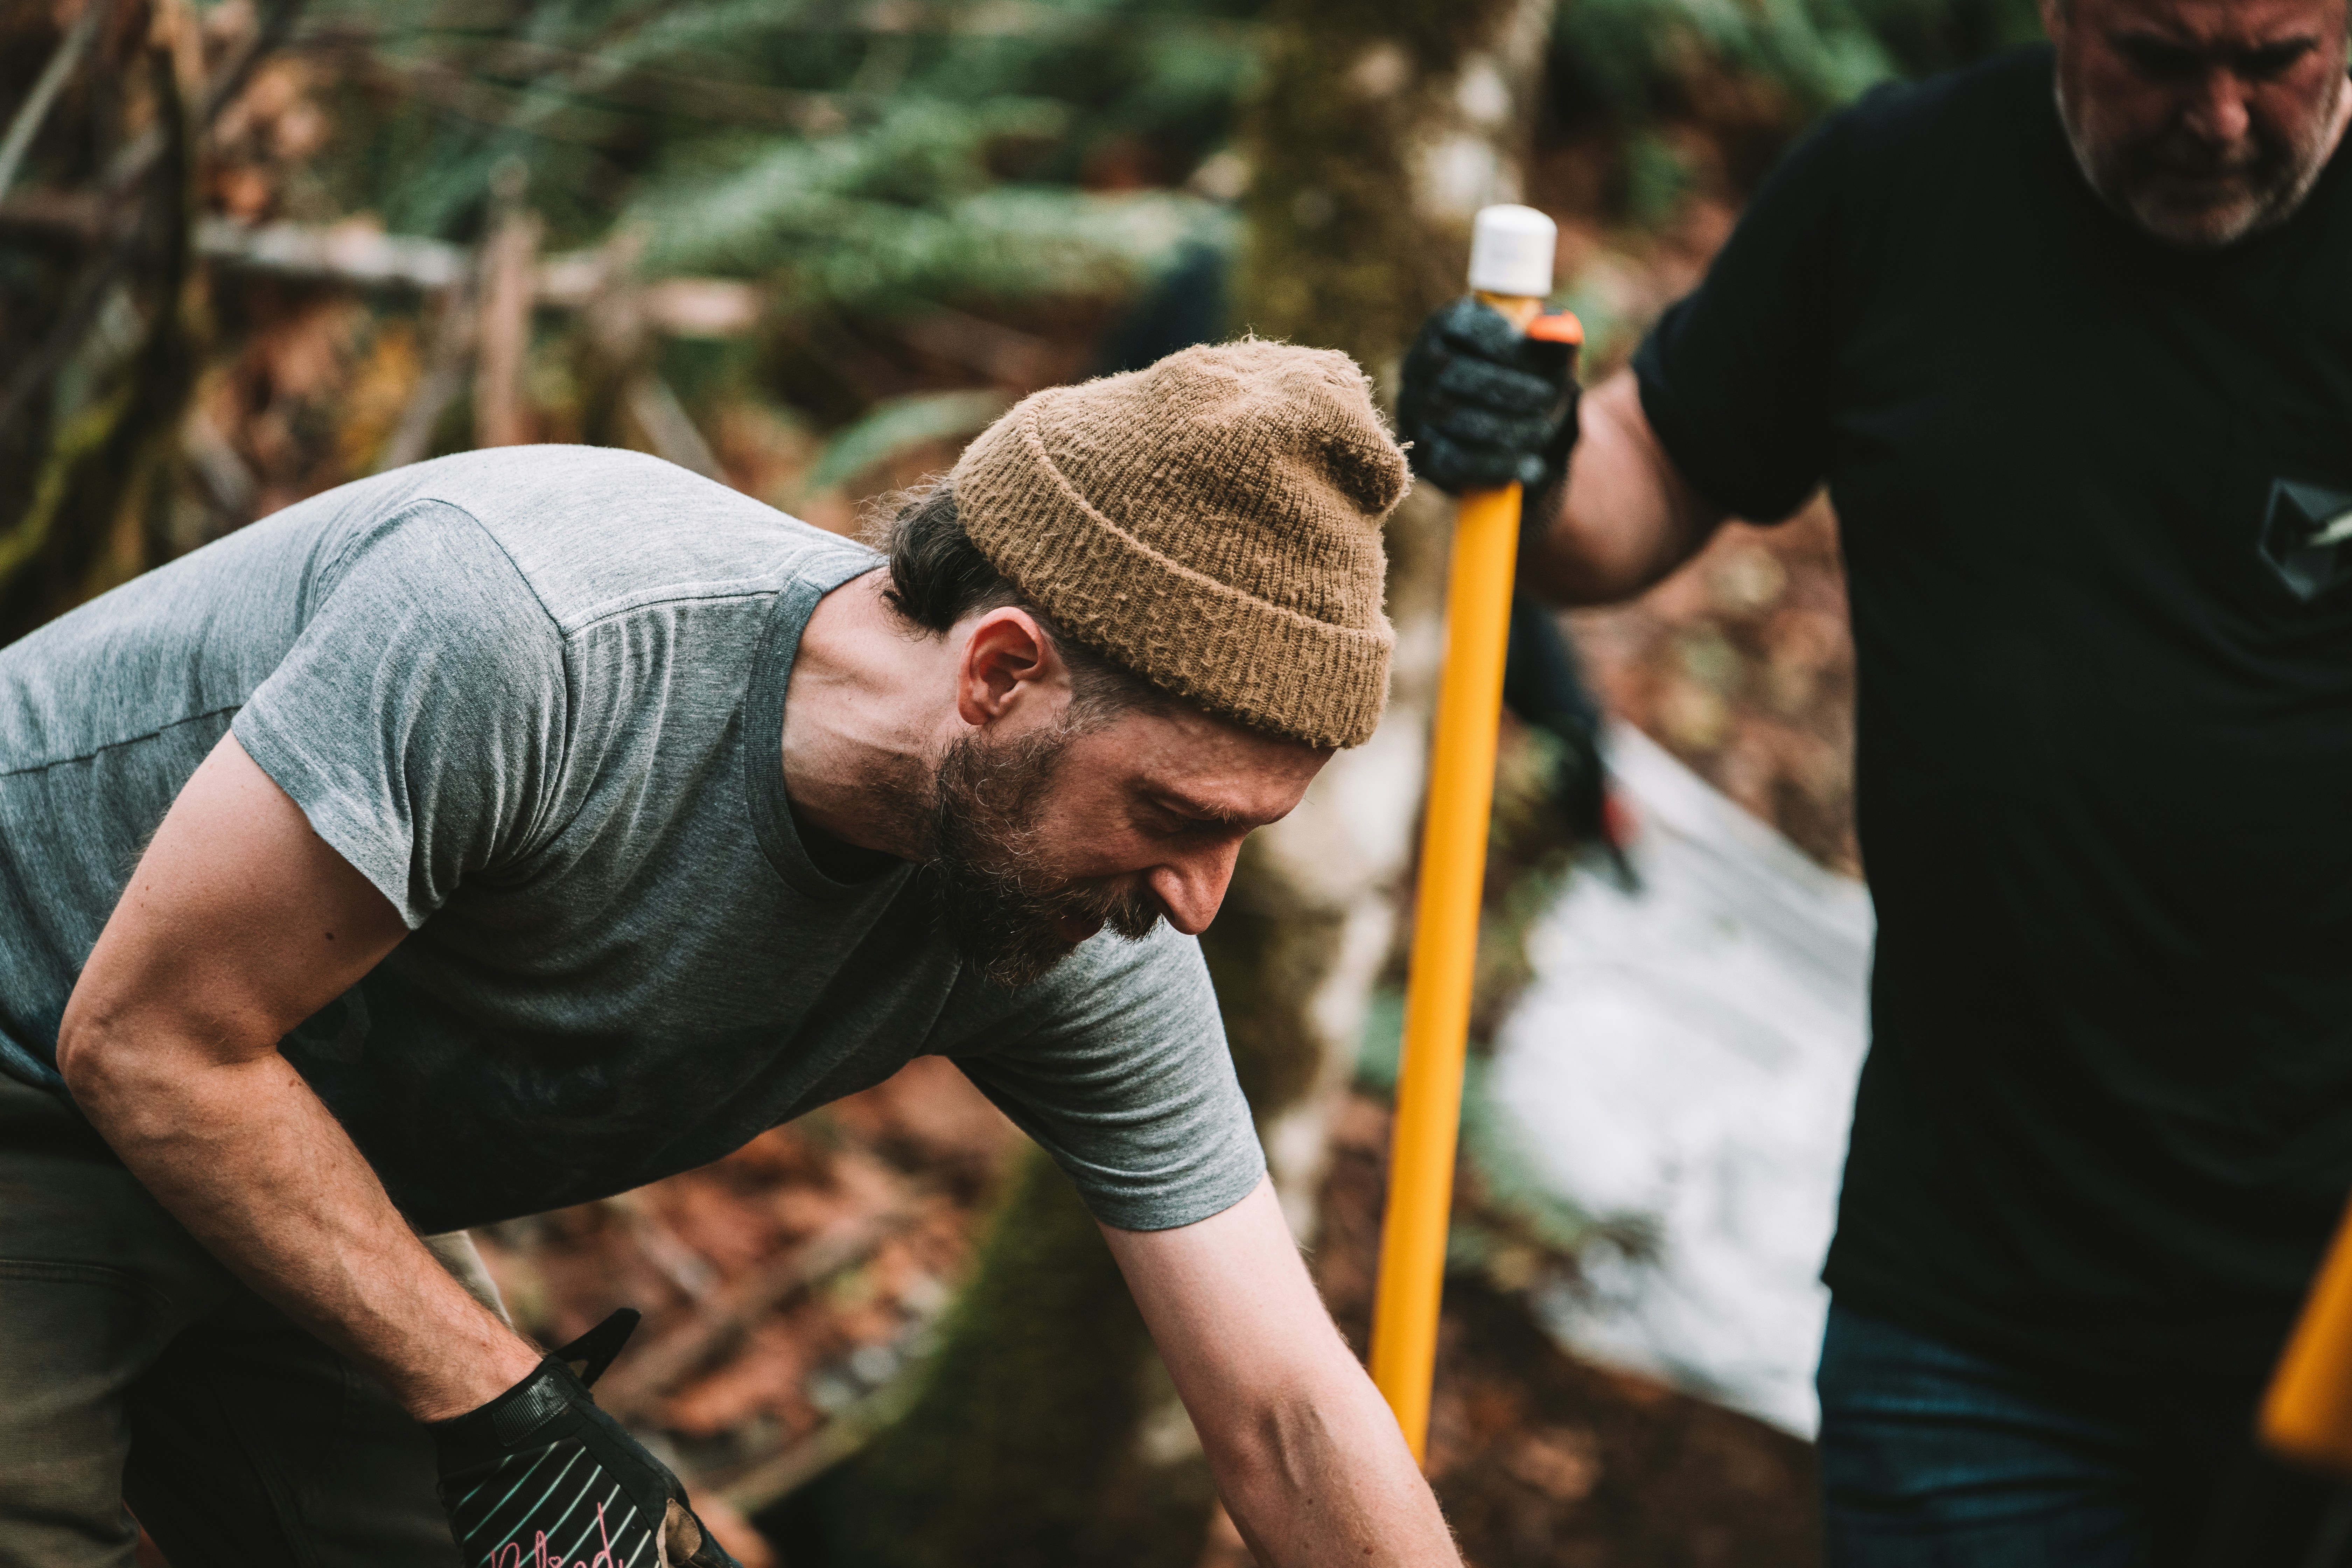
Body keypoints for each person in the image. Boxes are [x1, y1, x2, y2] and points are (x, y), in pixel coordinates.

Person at [0, 341, 1460, 1568]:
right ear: (1002, 670)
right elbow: (152, 1044)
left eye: (1245, 834)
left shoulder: (1077, 915)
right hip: (54, 1054)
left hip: (289, 1145)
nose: (1199, 899)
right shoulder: (537, 635)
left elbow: (1287, 1413)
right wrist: (506, 1404)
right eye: (1177, 814)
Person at [1398, 0, 2352, 1560]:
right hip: (1973, 1301)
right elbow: (1649, 478)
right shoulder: (1898, 191)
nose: (2223, 115)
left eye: (2277, 59)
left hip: (2332, 1314)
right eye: (2162, 56)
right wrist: (1539, 445)